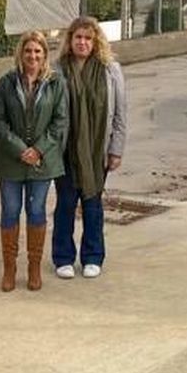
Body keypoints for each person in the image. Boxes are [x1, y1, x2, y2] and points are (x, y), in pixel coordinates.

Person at [0, 31, 68, 292]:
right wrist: (21, 149)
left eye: (38, 51)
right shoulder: (7, 82)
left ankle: (34, 267)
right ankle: (9, 268)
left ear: (45, 55)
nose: (32, 56)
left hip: (41, 163)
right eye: (28, 51)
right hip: (10, 161)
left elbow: (60, 122)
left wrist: (39, 150)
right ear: (20, 54)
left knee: (36, 212)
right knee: (10, 212)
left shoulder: (56, 83)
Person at [53, 16, 128, 280]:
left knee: (92, 204)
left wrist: (116, 149)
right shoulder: (58, 69)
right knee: (65, 203)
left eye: (88, 38)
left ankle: (93, 257)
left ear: (95, 41)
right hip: (65, 151)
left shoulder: (110, 70)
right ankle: (63, 257)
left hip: (98, 151)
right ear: (70, 40)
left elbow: (120, 113)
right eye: (78, 37)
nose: (82, 42)